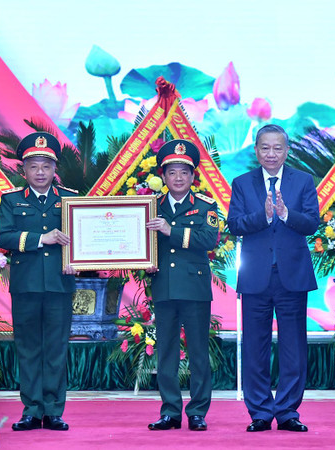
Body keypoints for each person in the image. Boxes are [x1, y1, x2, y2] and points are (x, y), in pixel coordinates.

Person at [227, 124, 320, 432]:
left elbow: (312, 224)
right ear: (256, 150)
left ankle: (288, 411)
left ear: (286, 150)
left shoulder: (303, 181)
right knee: (255, 347)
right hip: (255, 277)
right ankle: (260, 412)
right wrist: (264, 217)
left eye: (277, 148)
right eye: (265, 148)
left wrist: (285, 214)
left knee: (294, 346)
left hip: (291, 276)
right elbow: (235, 224)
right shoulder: (242, 183)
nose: (271, 154)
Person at [0, 132, 78, 432]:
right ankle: (31, 409)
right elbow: (2, 236)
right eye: (34, 166)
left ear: (55, 169)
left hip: (59, 284)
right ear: (24, 170)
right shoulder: (11, 201)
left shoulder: (71, 201)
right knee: (28, 348)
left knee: (56, 348)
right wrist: (40, 238)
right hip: (26, 285)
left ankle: (54, 410)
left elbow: (83, 240)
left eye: (46, 166)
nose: (40, 172)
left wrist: (78, 263)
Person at [145, 139, 219, 432]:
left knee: (199, 352)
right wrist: (143, 261)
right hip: (164, 286)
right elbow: (139, 244)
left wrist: (170, 229)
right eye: (172, 172)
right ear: (163, 176)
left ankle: (198, 411)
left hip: (195, 288)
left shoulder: (205, 206)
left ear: (193, 176)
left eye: (184, 172)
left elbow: (208, 240)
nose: (178, 178)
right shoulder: (149, 206)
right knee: (166, 352)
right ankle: (170, 411)